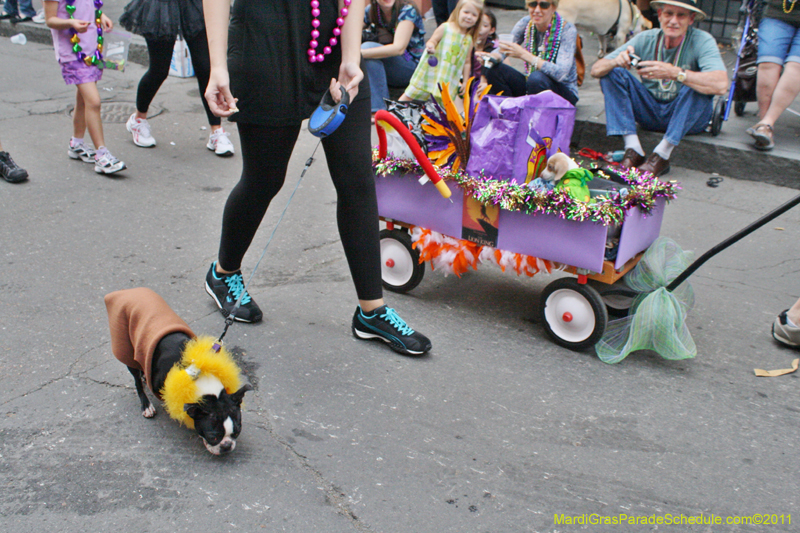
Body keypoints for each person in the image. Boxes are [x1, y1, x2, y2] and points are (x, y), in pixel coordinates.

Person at [201, 0, 432, 356]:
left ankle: (371, 311)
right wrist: (217, 66)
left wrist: (351, 56)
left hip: (333, 42)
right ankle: (223, 272)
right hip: (266, 43)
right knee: (264, 179)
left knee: (357, 180)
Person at [589, 0, 728, 178]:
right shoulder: (646, 38)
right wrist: (616, 61)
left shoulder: (702, 40)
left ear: (691, 19)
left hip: (689, 117)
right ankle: (633, 149)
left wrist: (677, 74)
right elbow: (595, 70)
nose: (673, 21)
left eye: (681, 15)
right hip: (651, 111)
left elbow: (721, 85)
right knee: (611, 72)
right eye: (669, 13)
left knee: (698, 82)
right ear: (660, 15)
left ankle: (662, 154)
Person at [119, 0, 234, 156]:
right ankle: (138, 119)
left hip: (194, 4)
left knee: (205, 68)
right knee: (159, 70)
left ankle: (216, 130)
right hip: (160, 6)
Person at [45, 0, 127, 175]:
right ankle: (102, 155)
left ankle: (77, 143)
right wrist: (71, 22)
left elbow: (89, 6)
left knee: (83, 99)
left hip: (92, 48)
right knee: (94, 102)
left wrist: (101, 16)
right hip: (72, 53)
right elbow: (50, 19)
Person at [481, 0, 579, 105]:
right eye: (533, 4)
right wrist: (492, 56)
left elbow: (560, 74)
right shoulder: (527, 23)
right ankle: (508, 110)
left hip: (563, 92)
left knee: (536, 78)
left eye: (544, 5)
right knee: (494, 70)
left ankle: (533, 114)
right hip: (532, 83)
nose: (537, 10)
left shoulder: (567, 30)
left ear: (553, 8)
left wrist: (524, 55)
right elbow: (505, 48)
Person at [400, 0, 483, 104]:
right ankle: (394, 109)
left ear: (478, 20)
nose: (469, 17)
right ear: (458, 11)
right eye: (466, 12)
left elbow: (467, 62)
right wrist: (431, 46)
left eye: (474, 15)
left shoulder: (468, 40)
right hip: (432, 70)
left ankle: (432, 114)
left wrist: (466, 81)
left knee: (444, 103)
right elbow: (432, 40)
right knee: (412, 92)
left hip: (448, 76)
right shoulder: (446, 27)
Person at [746, 0, 800, 152]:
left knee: (797, 65)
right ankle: (764, 125)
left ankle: (767, 123)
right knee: (768, 63)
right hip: (777, 12)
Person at [361, 0, 426, 114]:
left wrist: (360, 53)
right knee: (370, 57)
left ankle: (380, 109)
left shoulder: (408, 10)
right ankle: (378, 111)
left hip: (413, 67)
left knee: (368, 49)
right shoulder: (371, 11)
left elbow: (399, 48)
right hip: (392, 67)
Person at [471, 8, 498, 89]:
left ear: (492, 30)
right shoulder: (465, 43)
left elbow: (506, 68)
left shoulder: (494, 47)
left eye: (485, 25)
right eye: (477, 24)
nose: (479, 28)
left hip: (486, 83)